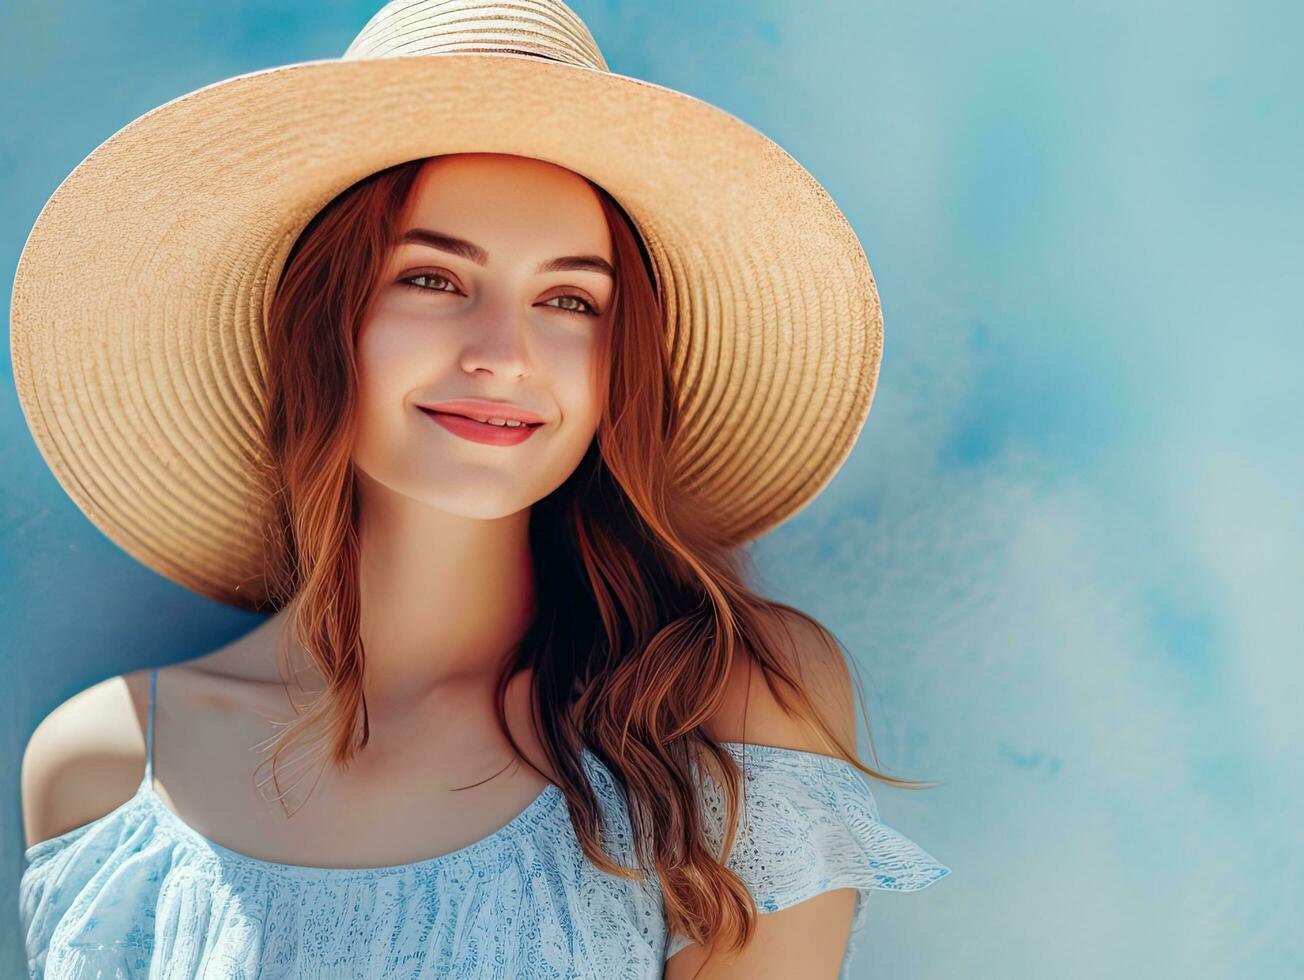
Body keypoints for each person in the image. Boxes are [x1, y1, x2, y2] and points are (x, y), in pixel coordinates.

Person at [12, 3, 949, 978]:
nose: (503, 354)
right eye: (431, 278)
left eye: (568, 299)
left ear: (615, 370)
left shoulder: (718, 709)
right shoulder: (110, 770)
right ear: (319, 323)